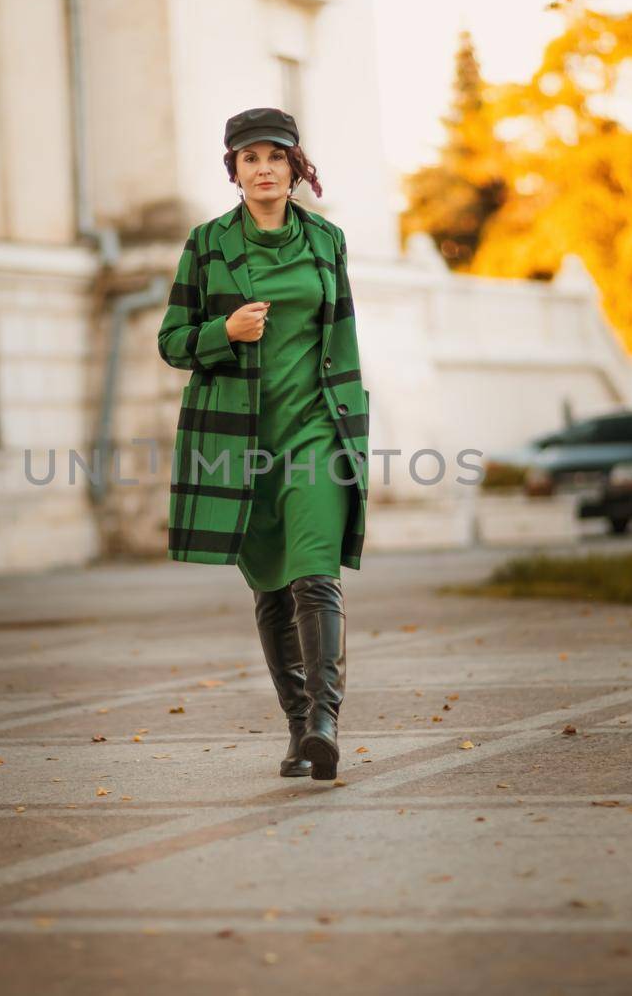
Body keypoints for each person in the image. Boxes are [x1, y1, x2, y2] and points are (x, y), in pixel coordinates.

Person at [156, 106, 370, 782]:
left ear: (294, 163)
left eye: (275, 155)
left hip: (314, 430)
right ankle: (296, 726)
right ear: (235, 171)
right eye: (249, 158)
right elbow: (171, 341)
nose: (264, 168)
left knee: (315, 575)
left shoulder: (326, 241)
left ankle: (324, 723)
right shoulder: (208, 244)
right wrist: (224, 332)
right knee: (273, 589)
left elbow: (344, 338)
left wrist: (353, 425)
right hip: (240, 438)